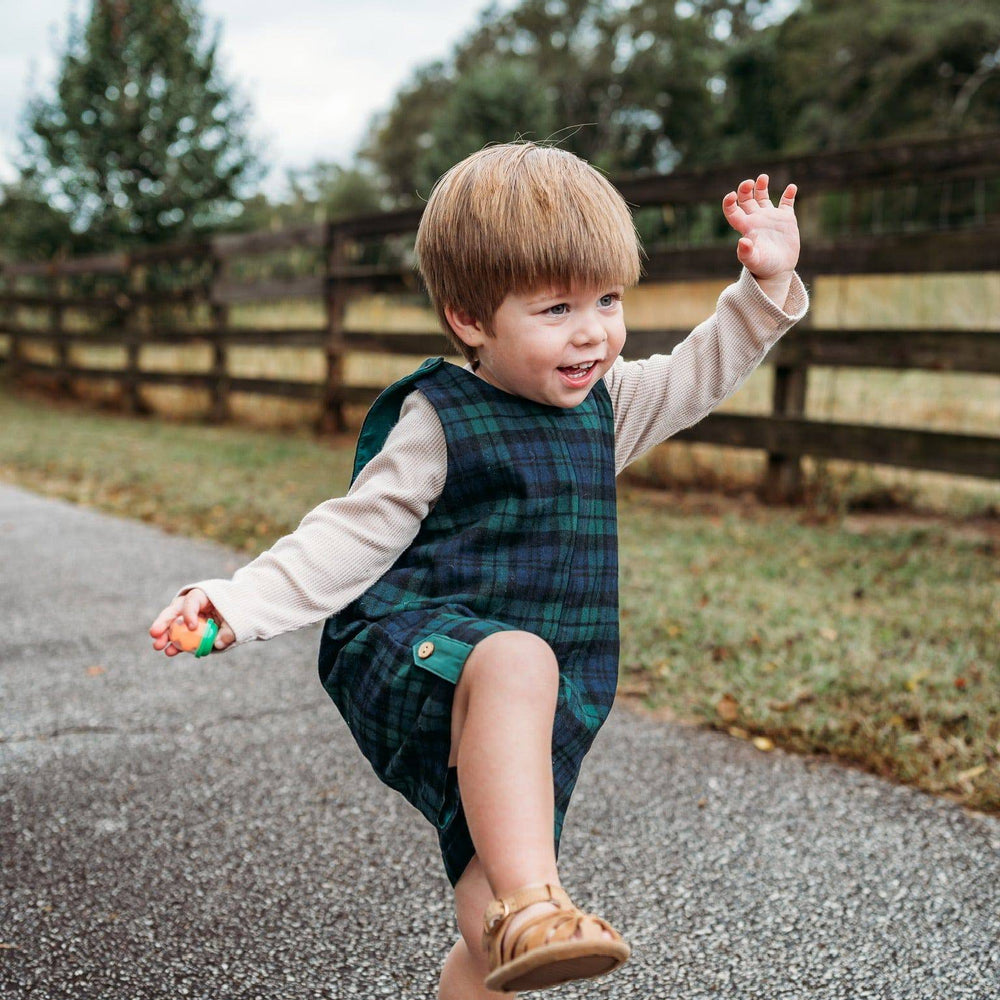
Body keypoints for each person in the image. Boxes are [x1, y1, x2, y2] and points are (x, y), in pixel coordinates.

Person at [150, 141, 807, 998]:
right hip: (417, 650)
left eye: (608, 299)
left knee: (492, 935)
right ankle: (538, 899)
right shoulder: (439, 417)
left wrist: (763, 288)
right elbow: (347, 534)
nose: (593, 331)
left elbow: (698, 371)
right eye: (557, 308)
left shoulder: (607, 406)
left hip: (537, 705)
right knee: (516, 672)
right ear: (470, 317)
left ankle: (520, 914)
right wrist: (237, 601)